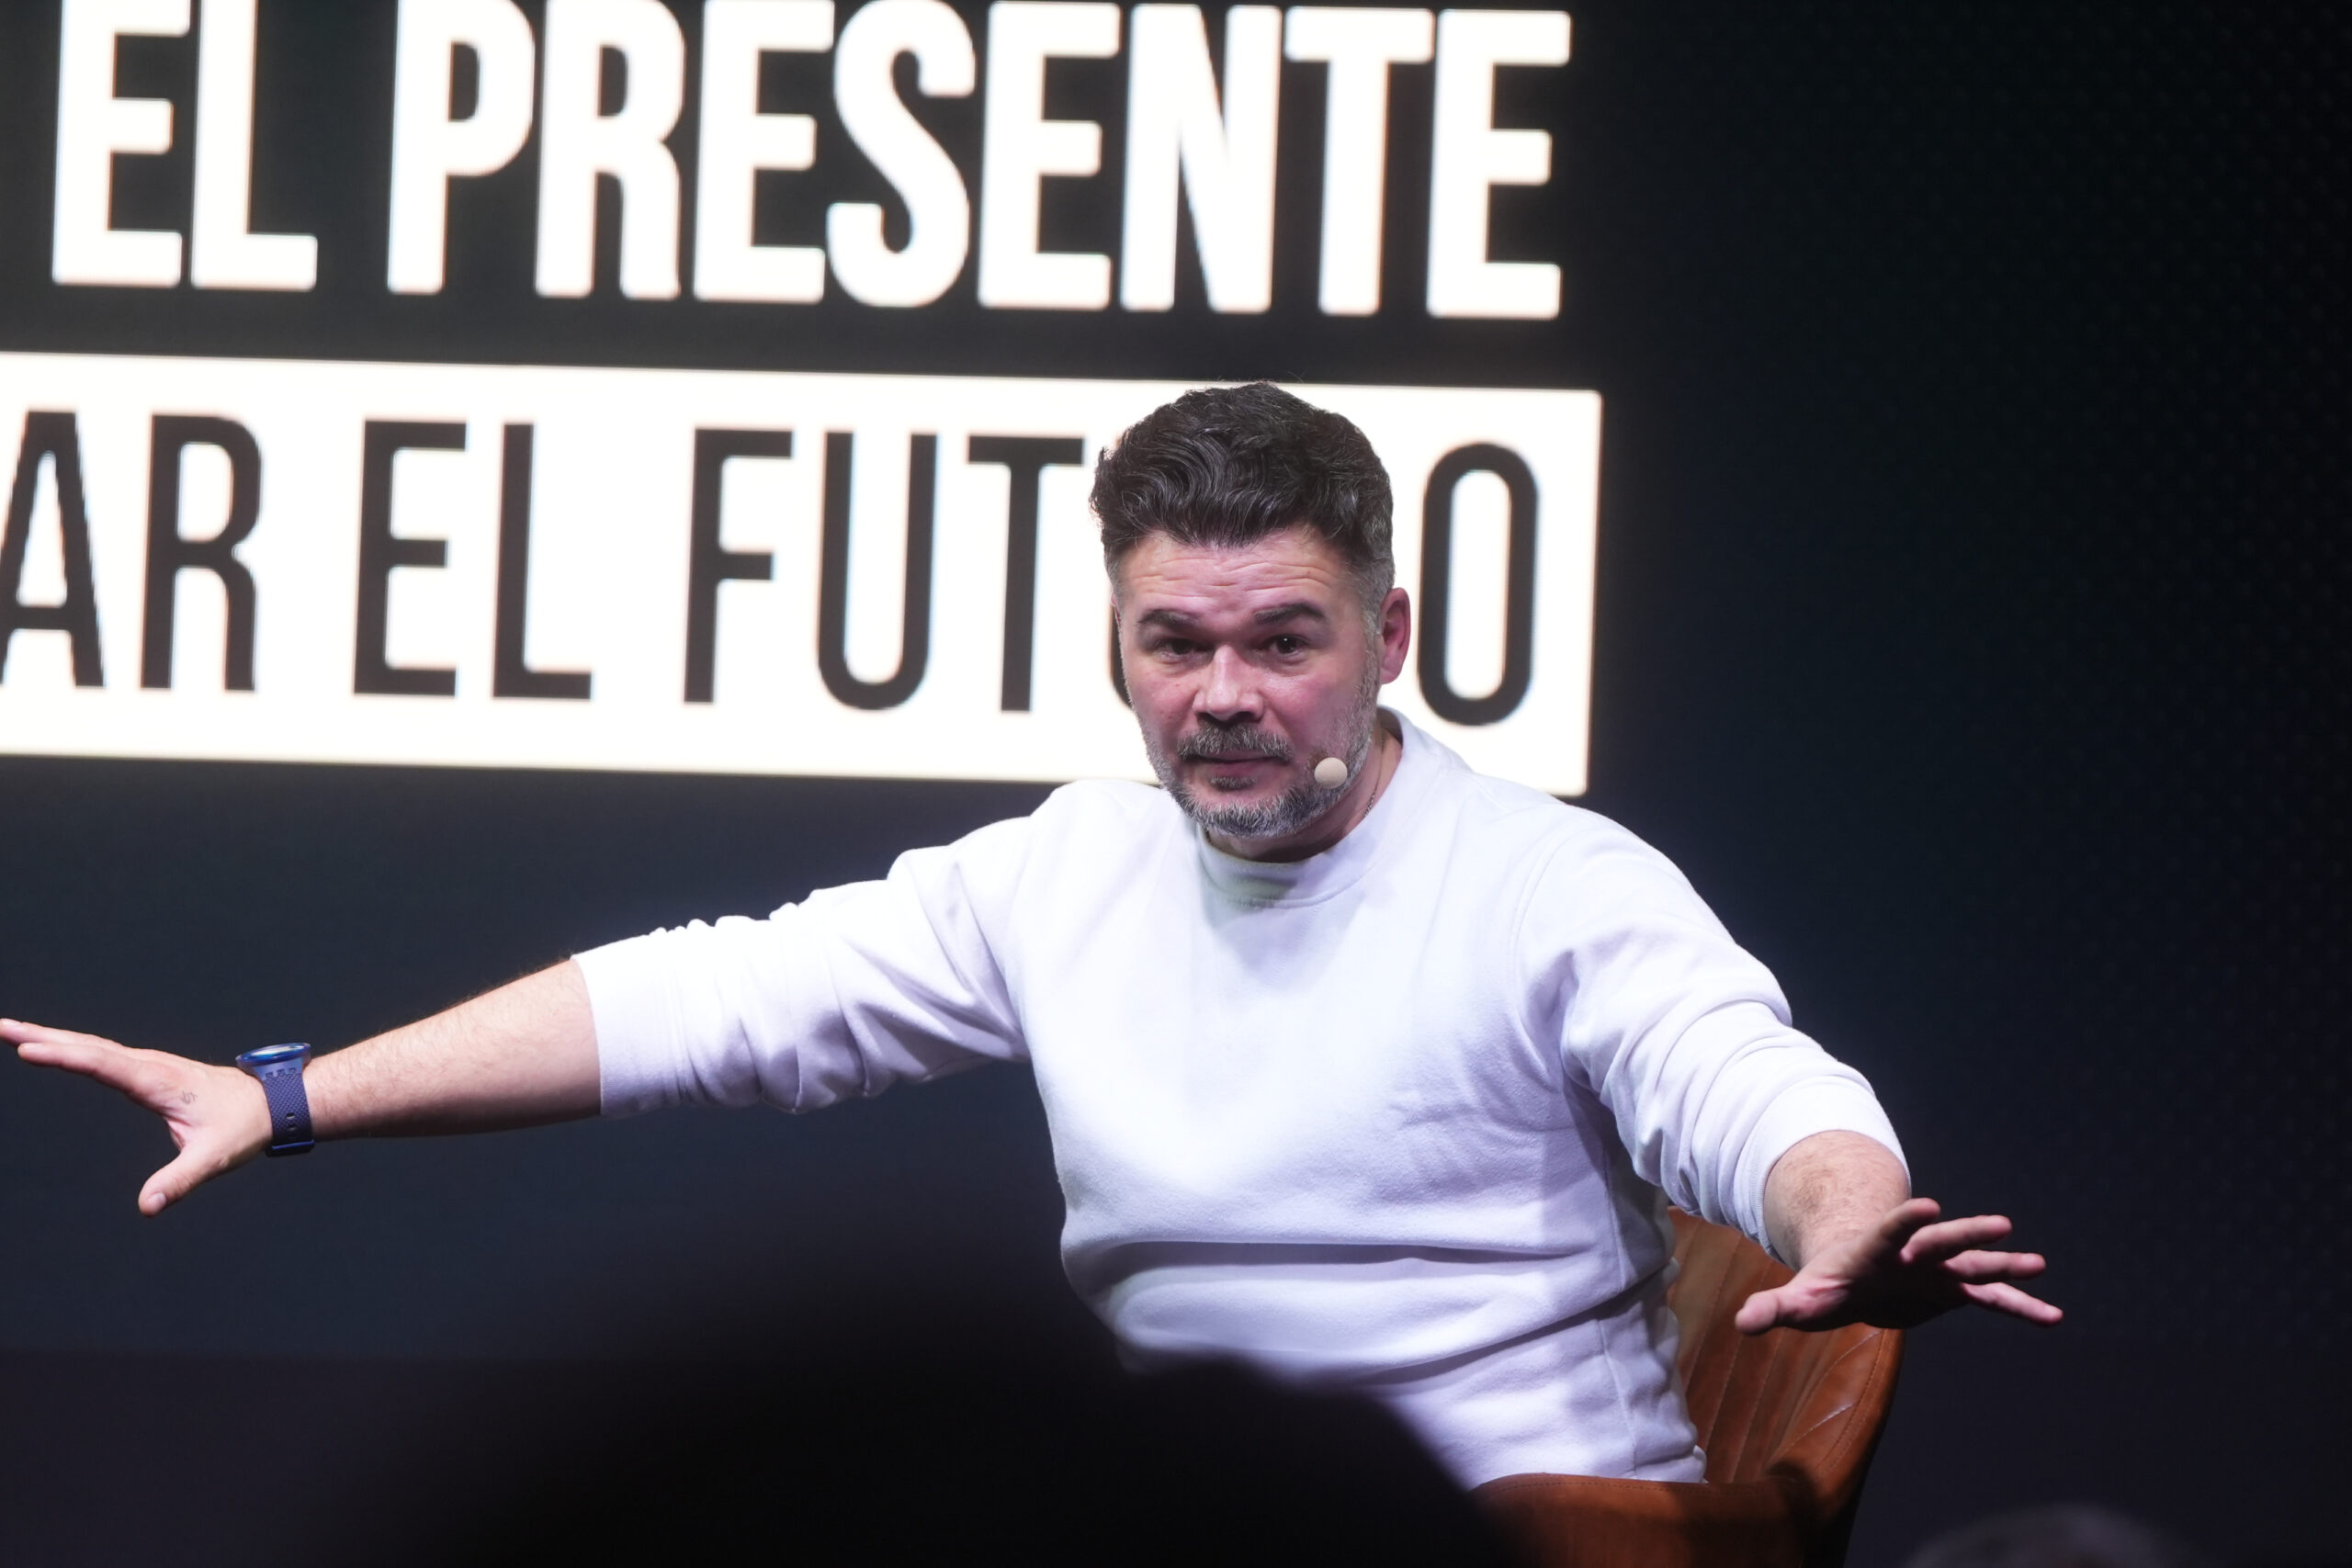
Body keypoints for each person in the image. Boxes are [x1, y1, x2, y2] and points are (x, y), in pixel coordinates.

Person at [5, 382, 2057, 1489]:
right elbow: (722, 995)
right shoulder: (1064, 870)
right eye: (1176, 642)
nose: (1225, 694)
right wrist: (288, 1093)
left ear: (1393, 641)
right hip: (1193, 1525)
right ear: (1116, 645)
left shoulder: (1546, 879)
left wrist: (1842, 1214)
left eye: (1283, 639)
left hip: (1526, 1534)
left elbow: (1741, 1085)